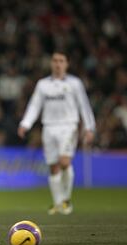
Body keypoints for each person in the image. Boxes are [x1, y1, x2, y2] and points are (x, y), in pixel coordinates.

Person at [18, 52, 95, 215]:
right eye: (55, 61)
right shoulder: (43, 84)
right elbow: (34, 105)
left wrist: (89, 127)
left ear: (67, 64)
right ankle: (58, 203)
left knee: (64, 162)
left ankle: (66, 201)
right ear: (51, 64)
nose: (58, 64)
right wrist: (25, 124)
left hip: (69, 126)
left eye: (61, 61)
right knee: (53, 166)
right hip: (49, 127)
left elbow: (84, 105)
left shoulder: (75, 83)